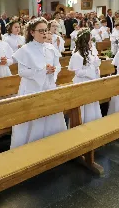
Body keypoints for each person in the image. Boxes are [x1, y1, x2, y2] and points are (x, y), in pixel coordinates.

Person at [10, 18, 67, 148]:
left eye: (45, 31)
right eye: (40, 31)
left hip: (48, 85)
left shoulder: (51, 48)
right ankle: (31, 147)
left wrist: (54, 70)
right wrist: (41, 72)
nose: (44, 34)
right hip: (32, 88)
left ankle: (53, 145)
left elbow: (57, 65)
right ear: (32, 32)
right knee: (33, 119)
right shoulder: (25, 49)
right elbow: (22, 72)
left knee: (50, 115)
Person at [68, 28, 102, 123]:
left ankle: (93, 122)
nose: (91, 42)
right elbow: (78, 72)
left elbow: (92, 65)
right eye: (90, 40)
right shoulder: (77, 55)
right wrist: (91, 71)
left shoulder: (89, 52)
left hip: (90, 81)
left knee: (92, 104)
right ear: (85, 41)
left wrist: (96, 66)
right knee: (84, 105)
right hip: (82, 82)